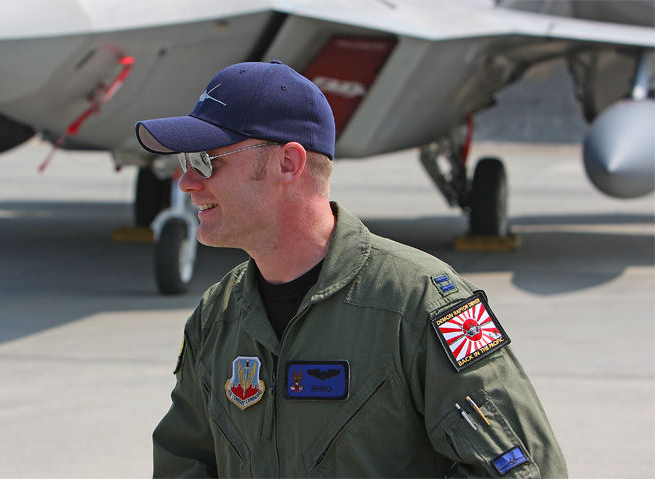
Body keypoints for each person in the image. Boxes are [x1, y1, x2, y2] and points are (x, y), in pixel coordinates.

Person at [135, 60, 567, 478]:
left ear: (288, 163)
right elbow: (182, 461)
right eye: (186, 162)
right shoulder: (218, 316)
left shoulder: (419, 306)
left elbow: (523, 469)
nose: (187, 181)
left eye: (207, 160)